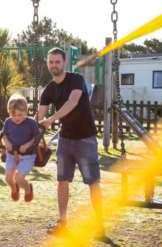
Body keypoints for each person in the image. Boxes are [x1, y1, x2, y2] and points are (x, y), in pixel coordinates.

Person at [37, 47, 104, 236]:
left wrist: (51, 119)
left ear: (64, 63)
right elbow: (40, 114)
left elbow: (72, 102)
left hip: (85, 139)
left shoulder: (76, 79)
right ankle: (63, 222)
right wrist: (37, 124)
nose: (54, 65)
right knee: (62, 181)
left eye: (57, 62)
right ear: (47, 64)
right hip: (65, 140)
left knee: (93, 182)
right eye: (51, 62)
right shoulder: (49, 89)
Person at [2, 94, 39, 202]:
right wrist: (7, 143)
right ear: (9, 113)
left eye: (20, 115)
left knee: (19, 178)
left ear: (25, 112)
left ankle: (28, 189)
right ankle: (14, 189)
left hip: (27, 156)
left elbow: (36, 137)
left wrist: (27, 145)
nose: (17, 118)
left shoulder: (31, 123)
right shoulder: (8, 122)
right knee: (8, 178)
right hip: (12, 154)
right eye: (13, 115)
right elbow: (4, 134)